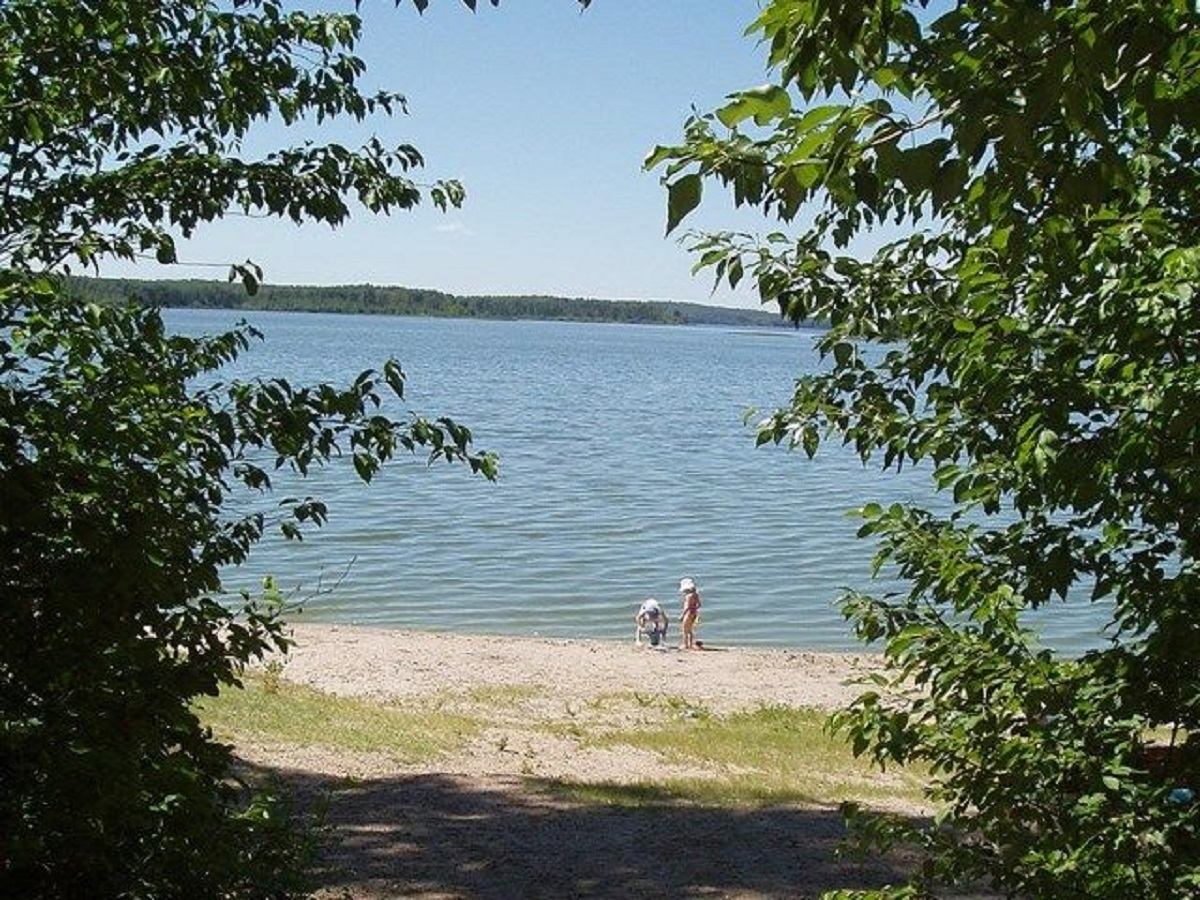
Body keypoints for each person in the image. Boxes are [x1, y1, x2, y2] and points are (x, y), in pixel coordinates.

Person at [678, 577, 702, 649]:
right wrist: (694, 609)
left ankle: (685, 645)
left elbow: (687, 607)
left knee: (684, 630)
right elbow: (699, 605)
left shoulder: (688, 596)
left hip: (688, 613)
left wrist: (682, 615)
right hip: (694, 613)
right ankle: (690, 644)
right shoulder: (695, 595)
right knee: (690, 630)